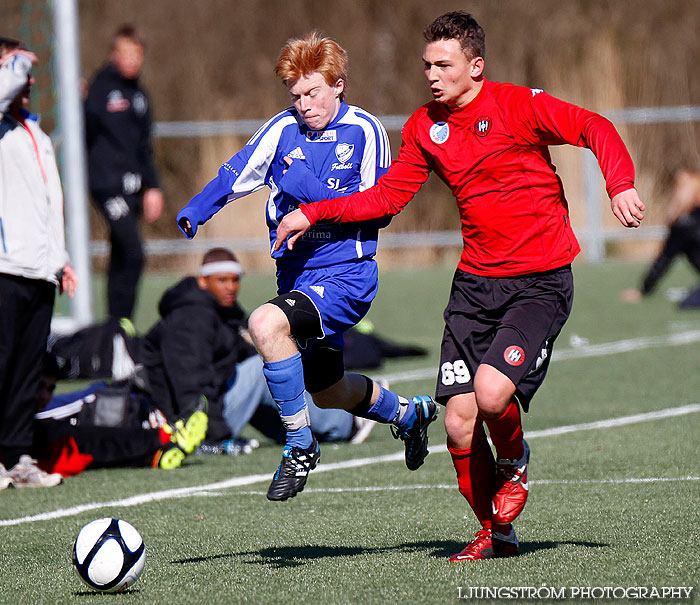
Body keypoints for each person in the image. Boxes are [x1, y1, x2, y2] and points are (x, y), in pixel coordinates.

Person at [274, 12, 645, 559]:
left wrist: (620, 184)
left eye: (442, 64)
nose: (431, 74)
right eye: (426, 64)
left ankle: (515, 469)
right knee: (458, 422)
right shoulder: (426, 126)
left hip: (539, 281)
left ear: (475, 65)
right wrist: (315, 213)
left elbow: (595, 127)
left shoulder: (519, 105)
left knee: (493, 394)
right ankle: (496, 533)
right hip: (475, 286)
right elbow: (386, 198)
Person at [177, 32, 438, 502]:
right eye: (295, 95)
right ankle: (409, 414)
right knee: (328, 392)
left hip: (345, 274)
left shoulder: (364, 131)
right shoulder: (282, 129)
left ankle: (300, 446)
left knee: (263, 323)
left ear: (338, 85)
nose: (303, 104)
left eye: (312, 92)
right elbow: (236, 174)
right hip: (296, 276)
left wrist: (309, 191)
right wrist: (196, 209)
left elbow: (378, 207)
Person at [143, 246, 365, 454]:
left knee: (268, 365)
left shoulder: (223, 311)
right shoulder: (190, 319)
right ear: (203, 281)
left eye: (235, 280)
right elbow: (189, 383)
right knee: (263, 369)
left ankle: (310, 432)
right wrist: (211, 436)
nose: (230, 287)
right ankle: (345, 422)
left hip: (213, 404)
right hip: (190, 418)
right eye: (222, 280)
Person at [0, 37, 78, 489]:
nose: (26, 81)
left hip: (39, 271)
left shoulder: (36, 132)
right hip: (5, 268)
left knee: (28, 370)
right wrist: (13, 62)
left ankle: (16, 456)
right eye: (16, 72)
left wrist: (61, 258)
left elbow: (50, 205)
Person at [85, 23, 164, 320]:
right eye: (125, 54)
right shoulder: (98, 89)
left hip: (133, 188)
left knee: (121, 255)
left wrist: (153, 187)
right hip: (107, 186)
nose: (131, 60)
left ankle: (115, 329)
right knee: (134, 254)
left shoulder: (140, 95)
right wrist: (80, 101)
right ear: (114, 54)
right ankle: (121, 325)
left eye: (137, 54)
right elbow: (85, 132)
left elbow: (144, 147)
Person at [621, 169, 700, 308]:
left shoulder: (684, 225)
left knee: (686, 304)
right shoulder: (692, 221)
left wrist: (644, 290)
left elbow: (664, 259)